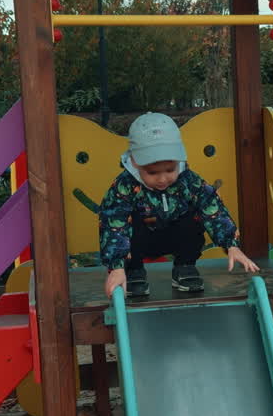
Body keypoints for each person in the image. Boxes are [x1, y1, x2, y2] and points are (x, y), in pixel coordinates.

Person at [99, 112, 259, 297]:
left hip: (177, 237)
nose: (162, 179)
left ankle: (185, 267)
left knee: (196, 211)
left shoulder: (188, 181)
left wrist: (231, 244)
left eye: (170, 169)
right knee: (124, 218)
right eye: (152, 172)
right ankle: (133, 271)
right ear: (135, 162)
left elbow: (212, 208)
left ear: (178, 160)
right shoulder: (125, 186)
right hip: (140, 242)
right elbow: (113, 224)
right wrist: (116, 267)